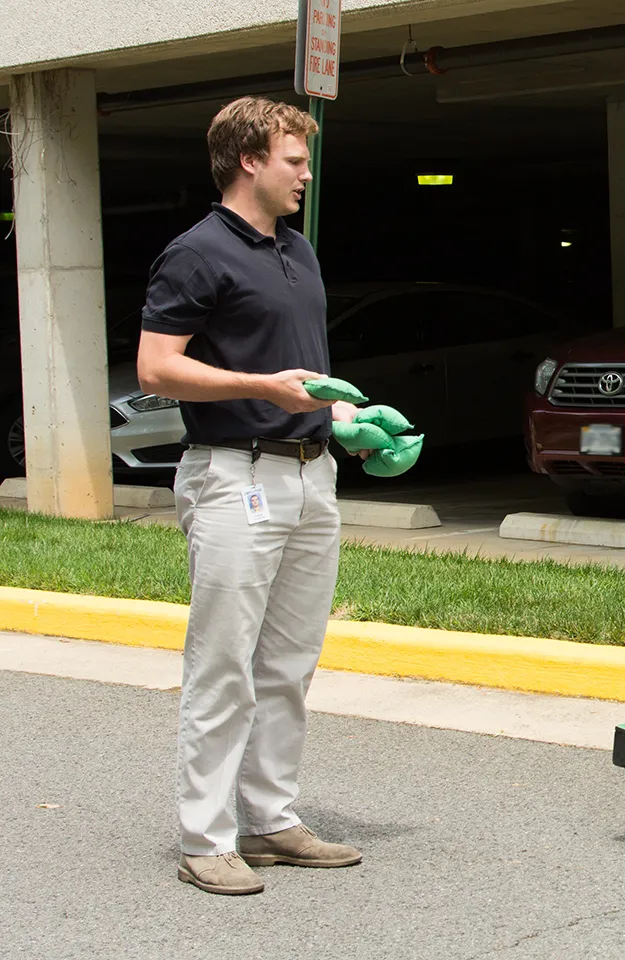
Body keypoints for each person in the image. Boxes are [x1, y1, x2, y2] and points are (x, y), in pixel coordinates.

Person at [137, 96, 364, 896]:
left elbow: (301, 373)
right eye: (294, 158)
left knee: (290, 661)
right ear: (249, 161)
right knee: (224, 662)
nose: (306, 171)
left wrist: (349, 417)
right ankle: (206, 838)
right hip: (235, 475)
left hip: (309, 474)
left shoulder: (297, 250)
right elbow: (156, 367)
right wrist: (261, 388)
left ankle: (270, 821)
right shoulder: (195, 253)